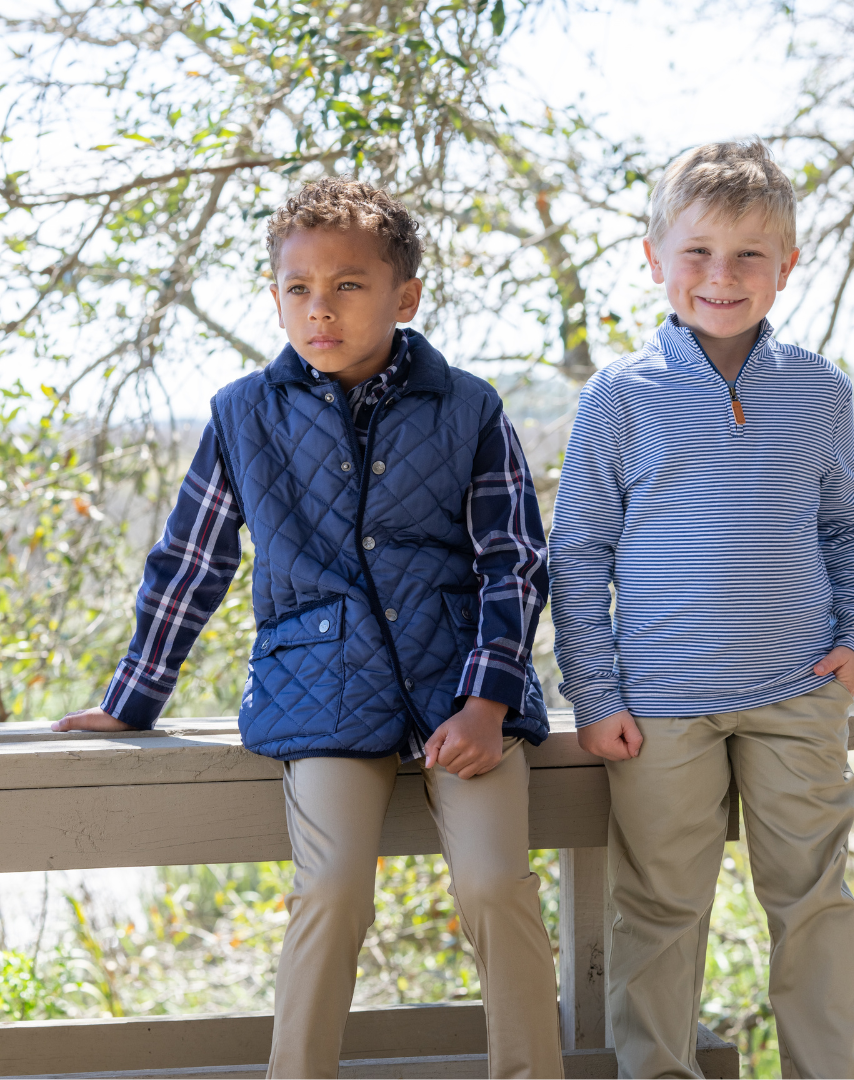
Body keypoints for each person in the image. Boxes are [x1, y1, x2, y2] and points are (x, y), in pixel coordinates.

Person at [54, 178, 563, 1080]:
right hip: (321, 691)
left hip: (463, 694)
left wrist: (488, 700)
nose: (318, 308)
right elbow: (192, 562)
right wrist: (133, 701)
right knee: (330, 892)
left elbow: (513, 559)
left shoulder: (470, 407)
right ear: (276, 294)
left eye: (348, 286)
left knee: (495, 886)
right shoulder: (243, 413)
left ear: (404, 297)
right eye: (297, 288)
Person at [549, 140, 854, 1080]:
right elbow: (577, 553)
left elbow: (845, 525)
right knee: (658, 906)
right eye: (697, 252)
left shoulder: (818, 390)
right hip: (659, 705)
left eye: (749, 256)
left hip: (796, 691)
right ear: (654, 260)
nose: (721, 277)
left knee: (814, 901)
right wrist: (597, 693)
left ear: (787, 266)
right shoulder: (618, 397)